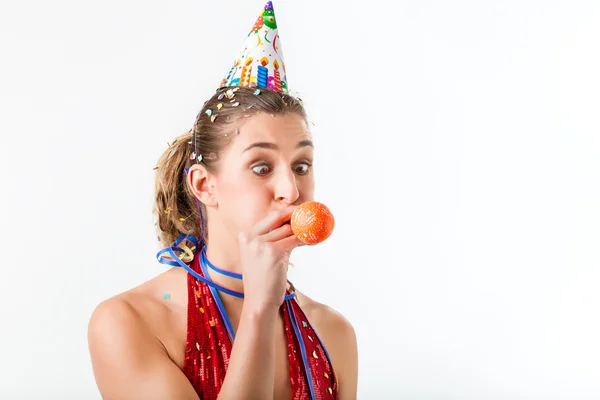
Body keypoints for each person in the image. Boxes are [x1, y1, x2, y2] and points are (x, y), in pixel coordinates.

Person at [87, 2, 358, 399]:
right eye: (262, 167)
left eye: (301, 165)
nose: (291, 190)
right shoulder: (127, 322)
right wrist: (260, 310)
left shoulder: (334, 331)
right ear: (204, 185)